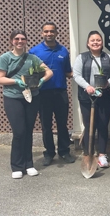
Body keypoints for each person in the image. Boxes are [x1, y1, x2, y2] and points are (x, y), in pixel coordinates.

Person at [0, 29, 53, 179]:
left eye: (23, 39)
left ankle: (29, 164)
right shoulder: (5, 58)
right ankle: (17, 166)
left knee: (28, 131)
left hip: (32, 97)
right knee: (19, 132)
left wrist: (41, 80)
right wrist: (16, 81)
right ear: (11, 41)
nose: (20, 41)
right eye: (17, 39)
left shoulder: (32, 58)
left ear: (26, 41)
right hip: (13, 98)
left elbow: (49, 72)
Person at [29, 22, 75, 166]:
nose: (49, 34)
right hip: (43, 94)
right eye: (46, 31)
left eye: (51, 31)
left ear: (56, 33)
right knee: (46, 125)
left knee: (62, 124)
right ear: (42, 33)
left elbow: (68, 72)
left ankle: (64, 151)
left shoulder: (63, 51)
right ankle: (49, 153)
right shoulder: (34, 52)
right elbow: (30, 73)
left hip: (60, 92)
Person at [72, 31, 110, 168]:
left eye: (98, 40)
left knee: (103, 125)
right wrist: (88, 87)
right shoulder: (82, 57)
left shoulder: (108, 58)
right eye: (93, 40)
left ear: (102, 43)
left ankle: (102, 154)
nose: (96, 42)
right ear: (88, 43)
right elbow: (77, 75)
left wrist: (106, 84)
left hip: (104, 96)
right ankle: (88, 153)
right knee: (88, 125)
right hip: (87, 97)